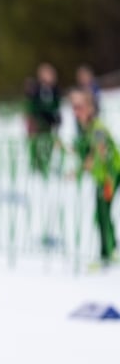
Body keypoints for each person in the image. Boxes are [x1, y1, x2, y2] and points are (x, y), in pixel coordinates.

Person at [70, 89, 120, 266]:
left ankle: (107, 254)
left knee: (103, 214)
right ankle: (112, 248)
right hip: (103, 176)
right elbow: (90, 154)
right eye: (73, 107)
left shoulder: (97, 128)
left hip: (109, 176)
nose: (76, 111)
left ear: (90, 108)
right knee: (101, 214)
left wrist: (93, 164)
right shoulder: (87, 128)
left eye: (80, 107)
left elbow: (101, 150)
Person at [24, 62, 61, 176]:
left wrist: (56, 117)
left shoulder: (55, 89)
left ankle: (47, 164)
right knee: (38, 144)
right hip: (39, 121)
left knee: (49, 143)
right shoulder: (36, 88)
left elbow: (56, 104)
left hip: (50, 121)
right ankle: (37, 165)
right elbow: (32, 104)